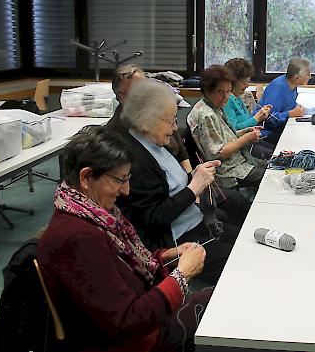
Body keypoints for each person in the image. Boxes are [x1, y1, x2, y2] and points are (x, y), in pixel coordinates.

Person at [37, 126, 212, 352]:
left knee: (217, 299)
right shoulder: (77, 238)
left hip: (143, 325)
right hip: (138, 342)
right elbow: (128, 322)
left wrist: (164, 256)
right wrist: (181, 275)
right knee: (222, 311)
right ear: (87, 177)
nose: (126, 191)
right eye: (120, 180)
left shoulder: (91, 214)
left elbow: (120, 267)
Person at [116, 78, 244, 284]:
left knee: (245, 239)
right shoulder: (135, 160)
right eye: (171, 121)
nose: (175, 128)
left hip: (197, 224)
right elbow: (154, 217)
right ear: (147, 120)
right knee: (241, 261)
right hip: (180, 242)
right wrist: (194, 187)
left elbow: (175, 187)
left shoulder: (153, 143)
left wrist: (196, 176)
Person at [188, 65, 266, 189]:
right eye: (220, 92)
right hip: (227, 171)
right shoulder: (206, 115)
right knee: (271, 177)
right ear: (207, 90)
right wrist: (246, 139)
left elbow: (224, 137)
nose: (225, 97)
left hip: (237, 162)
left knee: (271, 167)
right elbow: (217, 153)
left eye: (228, 91)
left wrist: (245, 132)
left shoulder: (215, 107)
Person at [109, 64, 193, 173]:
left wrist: (190, 177)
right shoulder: (118, 130)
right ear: (118, 96)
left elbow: (181, 151)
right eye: (130, 93)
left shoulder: (160, 113)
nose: (138, 97)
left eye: (143, 91)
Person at [223, 57, 275, 159]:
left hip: (249, 142)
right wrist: (256, 119)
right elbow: (233, 130)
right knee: (275, 158)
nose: (247, 85)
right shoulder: (227, 100)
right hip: (242, 149)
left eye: (248, 81)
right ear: (232, 81)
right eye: (244, 82)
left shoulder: (237, 96)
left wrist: (261, 115)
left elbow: (245, 120)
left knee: (276, 152)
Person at [257, 57, 312, 145]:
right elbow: (268, 119)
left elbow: (288, 103)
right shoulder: (277, 88)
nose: (310, 77)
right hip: (267, 133)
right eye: (308, 75)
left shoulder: (292, 85)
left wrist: (297, 107)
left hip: (281, 127)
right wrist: (290, 113)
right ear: (297, 78)